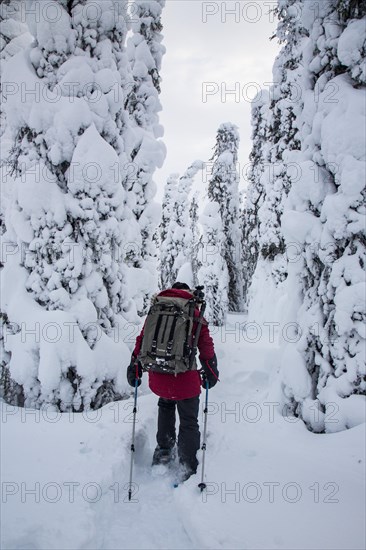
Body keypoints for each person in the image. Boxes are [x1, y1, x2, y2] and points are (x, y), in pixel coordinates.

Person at [127, 282, 219, 481]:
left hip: (159, 377)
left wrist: (134, 366)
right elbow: (206, 347)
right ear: (188, 293)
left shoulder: (158, 308)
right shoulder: (193, 310)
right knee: (188, 420)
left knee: (165, 406)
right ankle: (187, 464)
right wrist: (211, 372)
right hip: (185, 379)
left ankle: (164, 451)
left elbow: (142, 339)